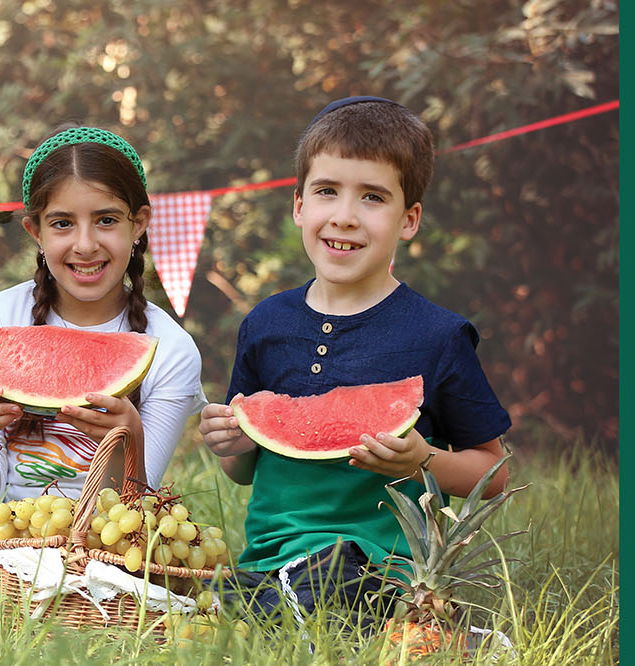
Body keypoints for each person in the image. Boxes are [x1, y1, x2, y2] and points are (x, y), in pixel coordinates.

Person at [196, 97, 512, 628]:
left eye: (372, 197)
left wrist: (423, 461)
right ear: (299, 205)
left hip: (379, 569)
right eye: (326, 191)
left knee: (329, 586)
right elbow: (243, 471)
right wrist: (233, 442)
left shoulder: (438, 335)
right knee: (186, 603)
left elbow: (494, 472)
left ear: (408, 220)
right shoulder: (265, 324)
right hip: (266, 563)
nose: (344, 215)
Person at [0, 125, 206, 613]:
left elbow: (131, 518)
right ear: (35, 231)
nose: (85, 245)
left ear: (139, 223)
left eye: (106, 220)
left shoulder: (168, 349)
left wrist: (130, 443)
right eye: (62, 223)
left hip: (105, 568)